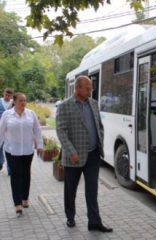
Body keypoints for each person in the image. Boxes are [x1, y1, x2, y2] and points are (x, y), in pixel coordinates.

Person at [56, 75, 112, 232]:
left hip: (93, 155)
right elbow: (61, 131)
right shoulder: (65, 106)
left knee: (92, 191)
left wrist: (100, 142)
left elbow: (99, 125)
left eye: (91, 88)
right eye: (87, 89)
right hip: (74, 157)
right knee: (70, 189)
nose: (90, 91)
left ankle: (94, 222)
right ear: (77, 88)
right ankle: (70, 217)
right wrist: (71, 152)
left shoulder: (93, 104)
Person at [0, 92, 44, 216]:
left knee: (26, 175)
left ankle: (25, 198)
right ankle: (17, 203)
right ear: (14, 101)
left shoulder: (31, 114)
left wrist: (40, 145)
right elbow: (1, 132)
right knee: (15, 175)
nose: (23, 103)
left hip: (27, 150)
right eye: (20, 100)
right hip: (12, 150)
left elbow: (37, 130)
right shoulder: (7, 115)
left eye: (24, 100)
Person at [0, 88, 14, 174]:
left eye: (9, 95)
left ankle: (10, 169)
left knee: (9, 148)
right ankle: (0, 162)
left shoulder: (13, 102)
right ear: (3, 94)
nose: (7, 97)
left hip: (9, 129)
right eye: (6, 95)